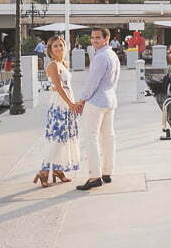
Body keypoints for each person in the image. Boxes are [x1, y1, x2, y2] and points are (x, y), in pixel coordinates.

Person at [75, 28, 120, 191]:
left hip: (96, 102)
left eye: (98, 38)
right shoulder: (113, 55)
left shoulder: (100, 57)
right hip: (110, 100)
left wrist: (81, 100)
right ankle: (107, 172)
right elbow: (115, 81)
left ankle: (95, 176)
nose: (94, 41)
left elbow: (91, 83)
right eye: (93, 38)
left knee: (90, 137)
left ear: (106, 38)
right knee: (108, 137)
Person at [33, 36, 82, 187]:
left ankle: (57, 169)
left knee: (65, 138)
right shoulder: (53, 65)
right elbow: (59, 88)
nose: (59, 48)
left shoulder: (63, 64)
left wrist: (74, 103)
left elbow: (62, 86)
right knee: (57, 139)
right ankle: (44, 171)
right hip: (60, 105)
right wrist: (70, 104)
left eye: (61, 45)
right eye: (55, 46)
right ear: (50, 50)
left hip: (66, 102)